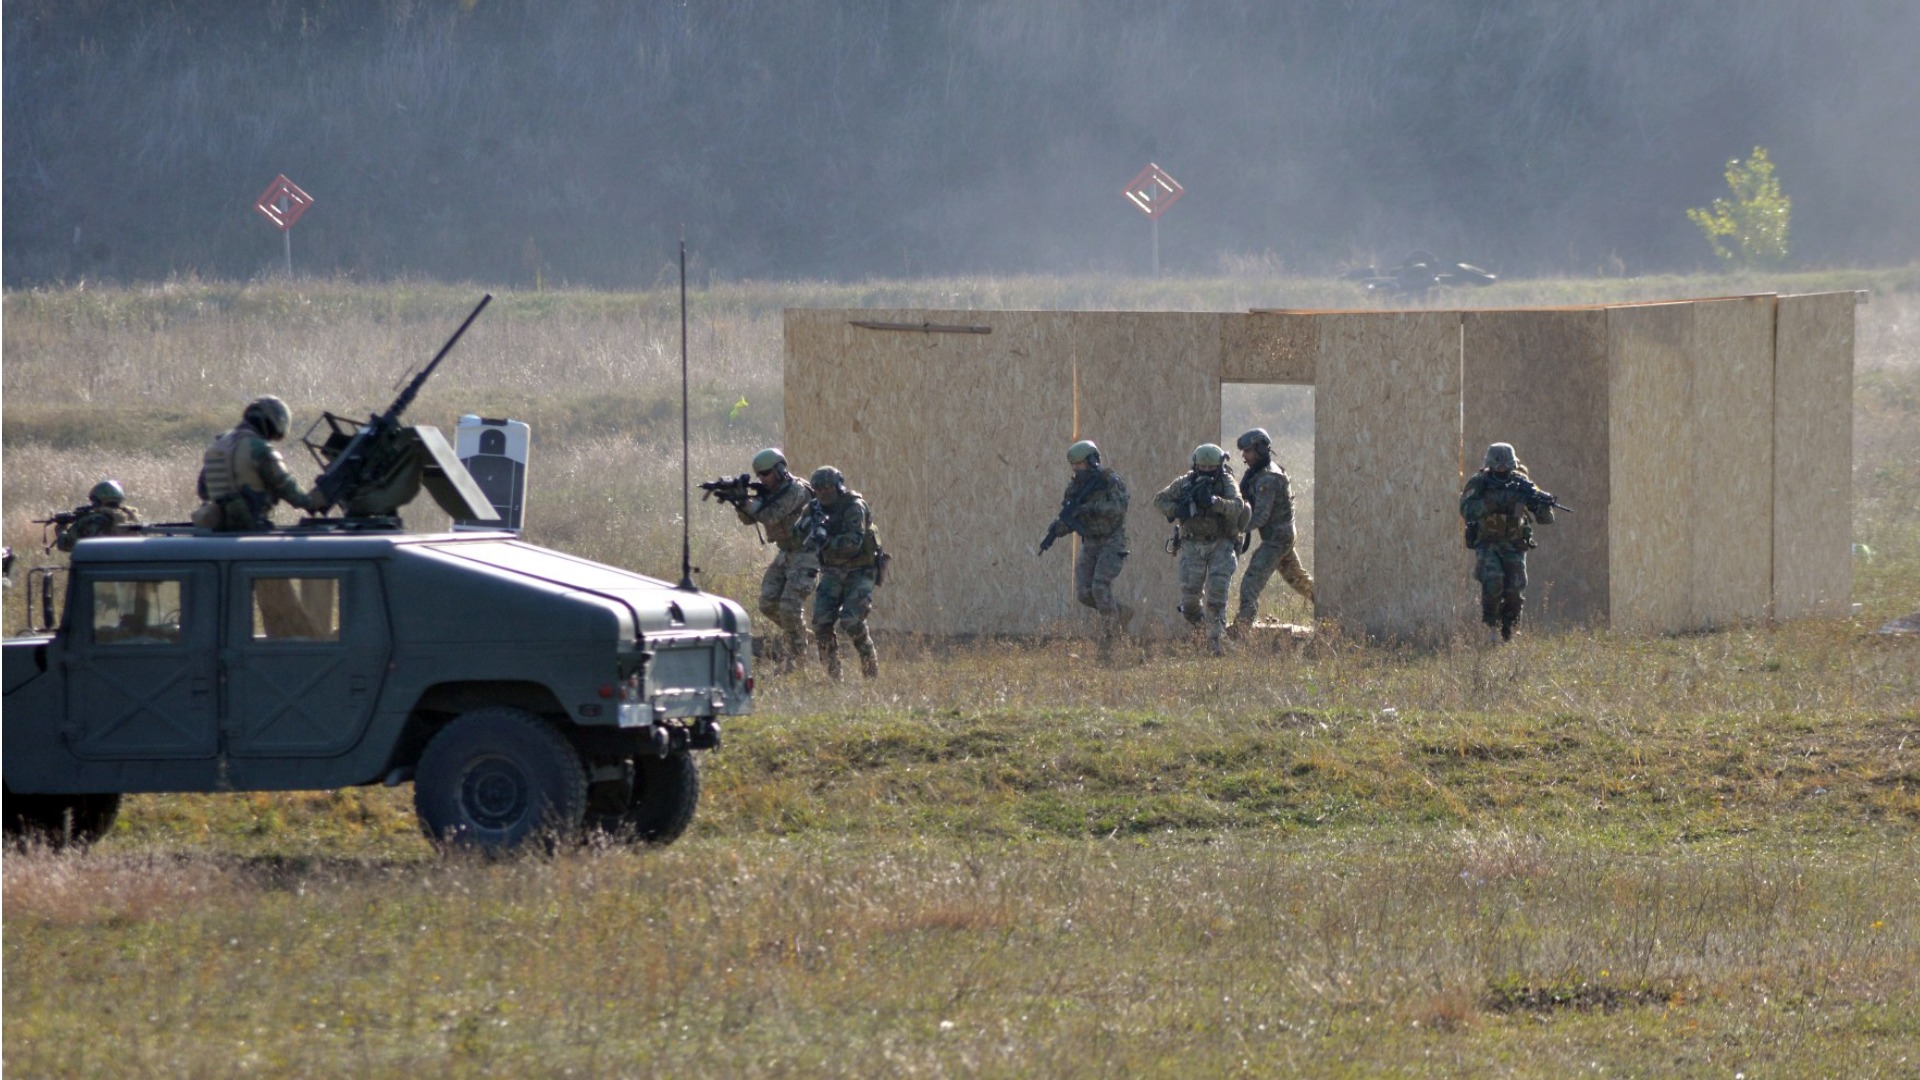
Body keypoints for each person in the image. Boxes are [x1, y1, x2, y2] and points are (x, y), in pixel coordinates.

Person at [1038, 440, 1132, 653]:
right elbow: (1072, 516)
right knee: (1084, 593)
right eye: (1074, 465)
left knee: (1100, 587)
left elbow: (1119, 508)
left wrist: (1090, 508)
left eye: (1081, 464)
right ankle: (1119, 613)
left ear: (1092, 461)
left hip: (1112, 541)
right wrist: (1060, 528)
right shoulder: (1074, 488)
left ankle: (1112, 640)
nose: (1077, 469)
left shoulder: (1109, 481)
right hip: (1090, 542)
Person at [1459, 441, 1558, 642]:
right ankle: (1491, 627)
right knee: (1492, 581)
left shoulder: (1522, 483)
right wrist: (1492, 503)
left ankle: (1509, 631)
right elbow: (1466, 509)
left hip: (1514, 544)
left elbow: (1545, 519)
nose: (1502, 469)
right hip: (1488, 543)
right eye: (1498, 465)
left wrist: (1542, 505)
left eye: (1505, 465)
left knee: (1515, 587)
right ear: (1490, 464)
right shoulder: (1480, 482)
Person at [1153, 444, 1247, 655]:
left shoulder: (1226, 482)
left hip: (1221, 544)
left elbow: (1237, 506)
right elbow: (1159, 500)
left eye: (1210, 466)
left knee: (1216, 596)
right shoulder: (1185, 482)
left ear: (1219, 466)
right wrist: (1178, 509)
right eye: (1202, 466)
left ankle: (1217, 643)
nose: (1205, 470)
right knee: (1189, 602)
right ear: (1195, 465)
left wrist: (1214, 502)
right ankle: (1206, 630)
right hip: (1192, 545)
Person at [734, 448, 819, 670]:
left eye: (766, 473)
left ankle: (799, 662)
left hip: (807, 554)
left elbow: (771, 515)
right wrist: (738, 502)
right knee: (768, 603)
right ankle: (802, 636)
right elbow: (749, 520)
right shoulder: (769, 492)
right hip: (787, 553)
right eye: (759, 475)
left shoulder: (796, 491)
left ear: (780, 469)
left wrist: (747, 502)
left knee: (790, 607)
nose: (762, 478)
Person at [192, 395, 329, 530]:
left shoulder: (218, 445)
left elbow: (203, 491)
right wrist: (312, 502)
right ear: (270, 423)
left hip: (219, 529)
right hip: (251, 527)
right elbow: (285, 486)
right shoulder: (258, 448)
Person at [1229, 428, 1313, 638]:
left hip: (1277, 539)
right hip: (1282, 536)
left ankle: (1242, 628)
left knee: (1251, 580)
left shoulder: (1268, 478)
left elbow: (1260, 517)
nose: (1244, 456)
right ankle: (1332, 609)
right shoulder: (1260, 472)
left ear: (1260, 449)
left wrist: (1234, 527)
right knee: (1298, 580)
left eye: (1248, 451)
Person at [809, 466, 882, 679]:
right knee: (821, 624)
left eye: (827, 487)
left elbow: (853, 543)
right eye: (818, 488)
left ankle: (870, 671)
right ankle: (833, 678)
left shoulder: (853, 507)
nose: (822, 492)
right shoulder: (816, 508)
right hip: (832, 571)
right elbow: (797, 535)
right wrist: (807, 529)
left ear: (838, 486)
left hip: (859, 571)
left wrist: (826, 540)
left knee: (851, 621)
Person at [54, 480, 144, 551]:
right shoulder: (132, 518)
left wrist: (61, 529)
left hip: (95, 568)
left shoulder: (91, 520)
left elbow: (66, 545)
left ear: (98, 500)